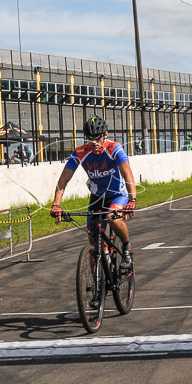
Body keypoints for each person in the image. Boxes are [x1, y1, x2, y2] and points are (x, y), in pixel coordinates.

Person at [50, 115, 137, 270]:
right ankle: (97, 286)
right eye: (91, 139)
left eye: (98, 138)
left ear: (105, 135)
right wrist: (56, 204)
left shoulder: (114, 148)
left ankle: (126, 247)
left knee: (112, 217)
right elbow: (63, 179)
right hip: (97, 198)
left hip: (118, 195)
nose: (95, 143)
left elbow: (127, 173)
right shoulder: (80, 152)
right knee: (93, 239)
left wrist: (132, 199)